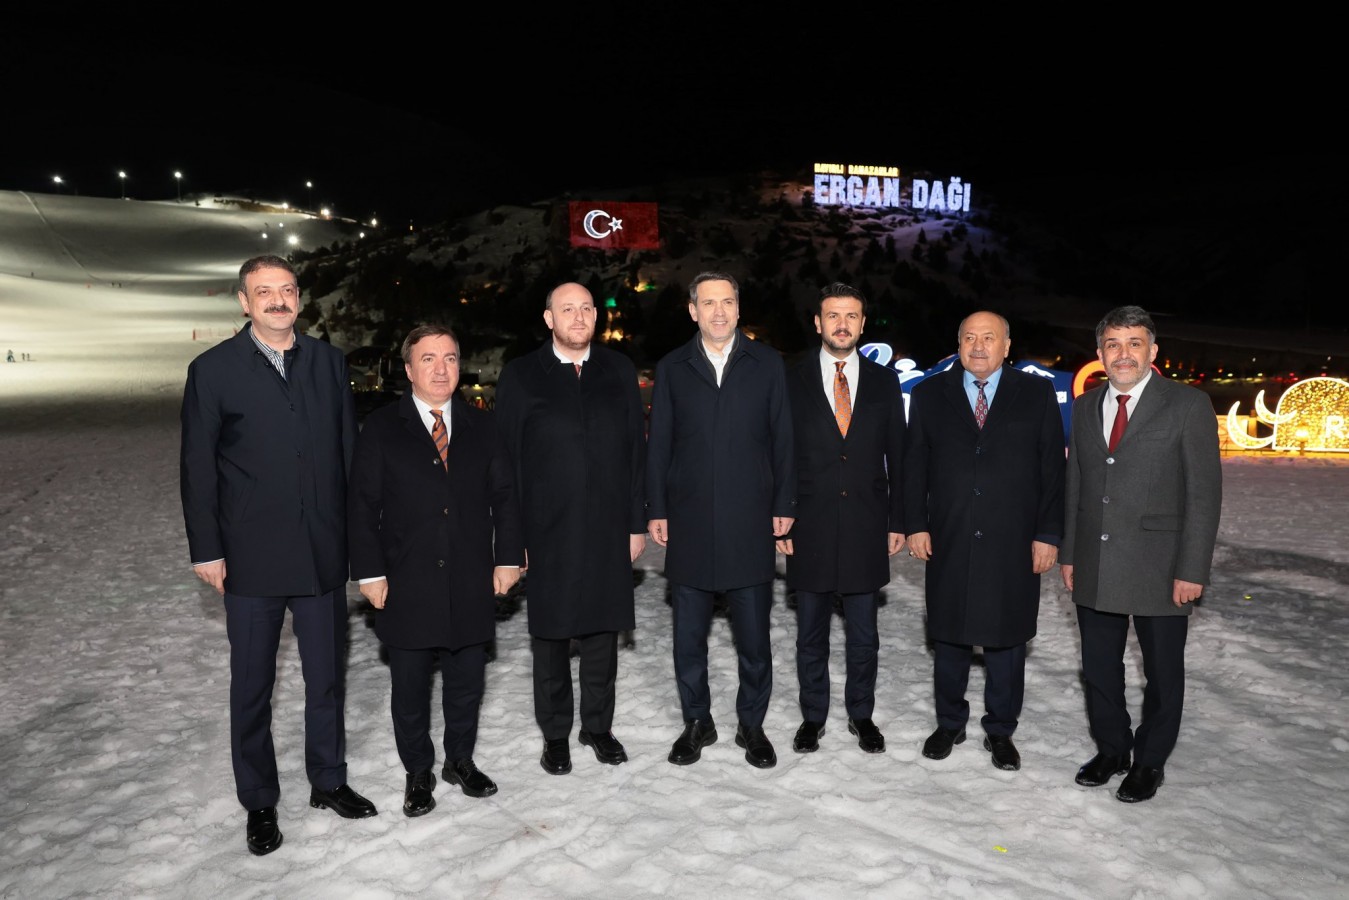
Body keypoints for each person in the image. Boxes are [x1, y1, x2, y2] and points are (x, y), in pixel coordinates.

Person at [180, 254, 376, 857]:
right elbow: (197, 467)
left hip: (321, 552)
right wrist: (207, 549)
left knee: (326, 680)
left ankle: (329, 780)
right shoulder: (212, 370)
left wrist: (360, 542)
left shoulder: (328, 362)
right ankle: (259, 800)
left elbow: (348, 457)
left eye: (287, 289)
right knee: (252, 686)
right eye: (263, 291)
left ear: (299, 298)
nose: (277, 300)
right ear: (244, 302)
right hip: (250, 555)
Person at [347, 324, 523, 817]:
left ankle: (459, 761)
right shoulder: (383, 427)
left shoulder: (483, 425)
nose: (441, 369)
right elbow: (362, 505)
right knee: (409, 688)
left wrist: (508, 557)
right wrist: (369, 573)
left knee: (467, 682)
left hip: (470, 578)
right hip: (406, 580)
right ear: (408, 370)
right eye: (428, 359)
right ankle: (418, 771)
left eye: (449, 358)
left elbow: (506, 497)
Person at [1061, 305, 1221, 803]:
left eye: (1134, 343)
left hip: (1162, 564)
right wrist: (1070, 553)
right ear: (1100, 353)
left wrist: (1192, 568)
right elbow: (1076, 484)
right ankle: (1112, 750)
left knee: (1163, 673)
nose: (1123, 353)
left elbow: (1203, 494)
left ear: (1153, 351)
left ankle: (1150, 761)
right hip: (1095, 558)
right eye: (1113, 344)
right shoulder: (1085, 406)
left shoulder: (1188, 404)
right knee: (1099, 667)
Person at [495, 282, 647, 775]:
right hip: (546, 529)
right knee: (551, 636)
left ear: (596, 317)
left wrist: (636, 524)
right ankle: (556, 733)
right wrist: (512, 539)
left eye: (586, 309)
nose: (578, 317)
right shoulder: (521, 375)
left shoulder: (618, 370)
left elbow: (636, 453)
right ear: (549, 319)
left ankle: (598, 727)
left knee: (603, 632)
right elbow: (506, 464)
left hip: (608, 525)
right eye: (567, 309)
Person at [903, 310, 1065, 772]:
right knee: (949, 633)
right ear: (958, 345)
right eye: (969, 337)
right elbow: (914, 466)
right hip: (949, 535)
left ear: (1006, 346)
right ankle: (949, 722)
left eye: (988, 338)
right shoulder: (929, 393)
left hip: (1014, 540)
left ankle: (1000, 730)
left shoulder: (1034, 393)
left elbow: (1053, 470)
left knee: (1007, 638)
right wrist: (916, 524)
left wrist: (1048, 534)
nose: (978, 346)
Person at [646, 271, 796, 769]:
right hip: (688, 520)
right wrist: (657, 508)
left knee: (754, 639)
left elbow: (783, 439)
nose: (718, 311)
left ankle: (752, 725)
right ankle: (697, 721)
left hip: (750, 520)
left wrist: (785, 504)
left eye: (727, 302)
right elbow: (659, 443)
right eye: (708, 303)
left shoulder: (767, 363)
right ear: (693, 311)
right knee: (689, 639)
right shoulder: (673, 367)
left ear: (738, 308)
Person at [777, 283, 906, 754]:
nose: (842, 324)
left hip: (867, 524)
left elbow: (900, 456)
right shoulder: (791, 378)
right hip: (807, 525)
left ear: (863, 323)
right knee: (810, 635)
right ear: (818, 322)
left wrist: (899, 519)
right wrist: (781, 514)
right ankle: (813, 717)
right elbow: (779, 453)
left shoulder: (884, 381)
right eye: (833, 315)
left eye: (851, 315)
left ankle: (861, 715)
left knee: (864, 636)